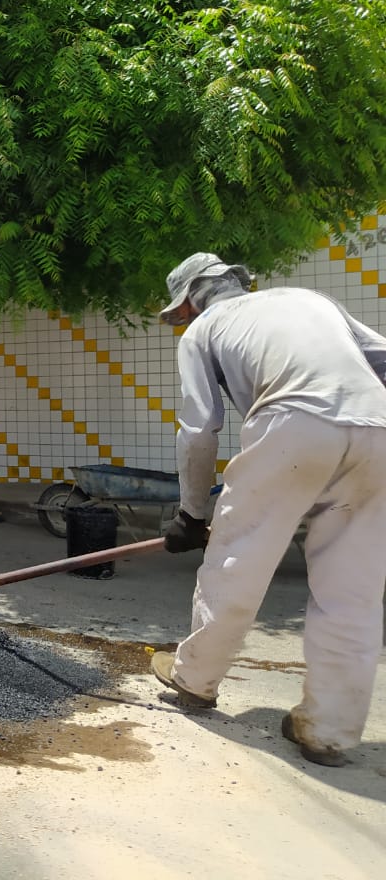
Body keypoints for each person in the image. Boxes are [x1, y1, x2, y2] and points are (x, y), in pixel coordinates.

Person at [152, 251, 386, 768]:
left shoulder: (203, 330)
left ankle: (194, 679)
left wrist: (192, 515)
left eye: (182, 311)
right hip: (378, 428)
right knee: (353, 589)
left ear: (193, 298)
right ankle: (328, 731)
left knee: (238, 558)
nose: (183, 319)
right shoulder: (309, 301)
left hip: (292, 421)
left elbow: (199, 430)